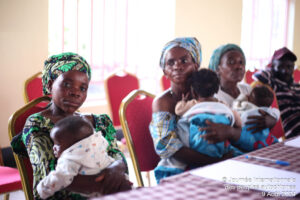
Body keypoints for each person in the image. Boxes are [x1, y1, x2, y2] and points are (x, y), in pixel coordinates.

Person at [11, 52, 131, 200]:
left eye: (83, 88)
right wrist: (103, 182)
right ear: (49, 85)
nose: (76, 93)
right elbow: (49, 177)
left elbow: (118, 157)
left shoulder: (100, 122)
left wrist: (117, 167)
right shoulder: (38, 124)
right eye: (67, 84)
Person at [150, 38, 242, 183]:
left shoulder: (208, 95)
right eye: (170, 63)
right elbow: (166, 146)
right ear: (165, 72)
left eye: (184, 61)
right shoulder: (163, 102)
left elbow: (236, 129)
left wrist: (229, 132)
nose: (177, 66)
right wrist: (214, 162)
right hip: (179, 170)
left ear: (196, 65)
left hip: (217, 160)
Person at [37, 115, 127, 199]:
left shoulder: (69, 158)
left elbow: (61, 177)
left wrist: (43, 188)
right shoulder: (99, 142)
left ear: (72, 145)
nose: (54, 148)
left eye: (57, 144)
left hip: (101, 192)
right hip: (120, 183)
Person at [208, 43, 277, 136]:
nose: (239, 66)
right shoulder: (214, 97)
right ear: (217, 68)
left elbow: (267, 112)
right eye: (231, 62)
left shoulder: (248, 89)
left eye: (241, 62)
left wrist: (271, 120)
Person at [175, 68, 243, 159]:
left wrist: (183, 101)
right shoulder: (223, 105)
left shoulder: (192, 104)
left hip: (195, 152)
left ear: (194, 92)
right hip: (221, 149)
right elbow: (237, 120)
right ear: (216, 91)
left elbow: (178, 110)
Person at [253, 47, 300, 138]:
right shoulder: (272, 84)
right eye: (280, 66)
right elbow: (259, 75)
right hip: (292, 132)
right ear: (272, 67)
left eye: (289, 67)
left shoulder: (296, 86)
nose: (285, 71)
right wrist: (269, 69)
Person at [232, 85, 279, 151]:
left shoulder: (246, 109)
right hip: (265, 140)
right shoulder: (268, 110)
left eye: (250, 95)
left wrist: (242, 97)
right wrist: (274, 118)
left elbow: (235, 107)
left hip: (249, 140)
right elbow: (276, 112)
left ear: (250, 99)